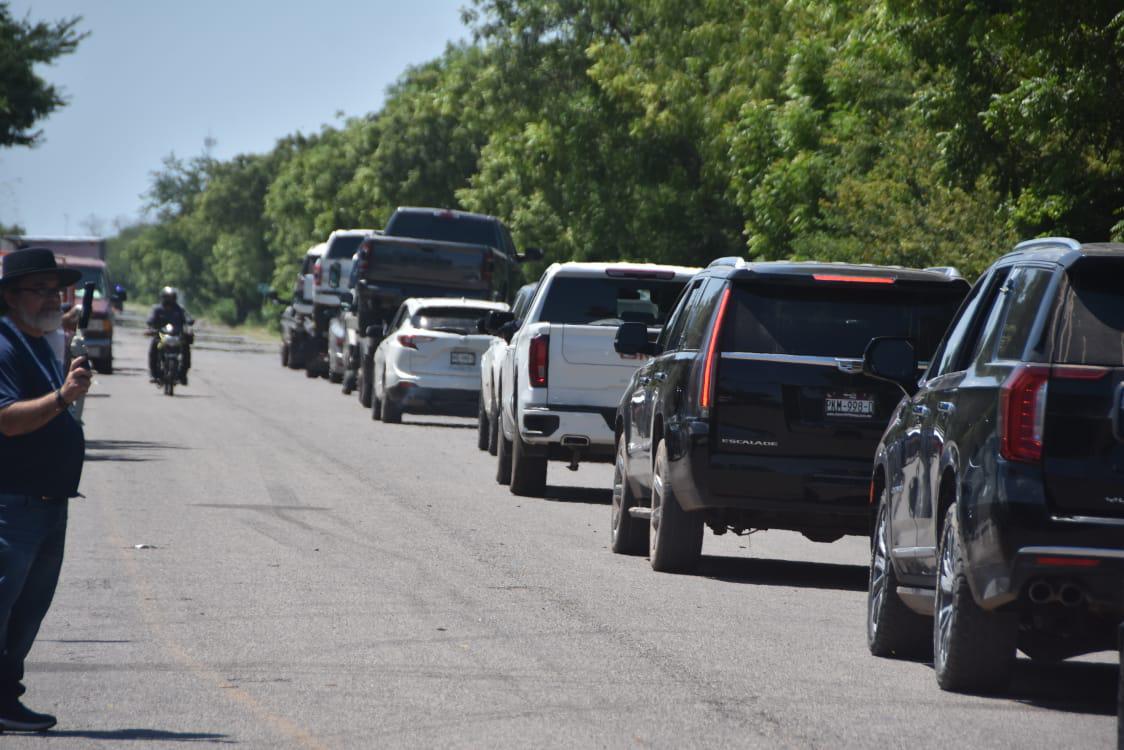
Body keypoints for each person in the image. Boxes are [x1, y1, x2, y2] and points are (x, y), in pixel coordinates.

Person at [0, 247, 91, 732]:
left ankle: (5, 699)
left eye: (55, 291)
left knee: (25, 613)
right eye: (39, 289)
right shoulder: (3, 346)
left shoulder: (37, 341)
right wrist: (63, 397)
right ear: (10, 297)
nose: (51, 299)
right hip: (12, 504)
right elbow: (7, 421)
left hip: (47, 503)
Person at [146, 286, 192, 385]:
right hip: (161, 336)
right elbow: (150, 320)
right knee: (154, 348)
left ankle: (182, 375)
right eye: (167, 297)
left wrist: (189, 322)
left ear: (174, 298)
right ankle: (154, 374)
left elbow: (188, 318)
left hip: (176, 336)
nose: (169, 299)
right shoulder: (157, 309)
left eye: (171, 297)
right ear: (162, 297)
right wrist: (151, 327)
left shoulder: (179, 309)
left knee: (186, 349)